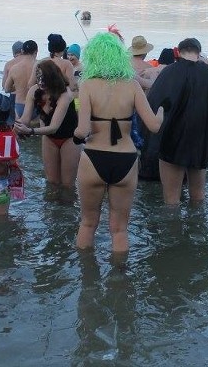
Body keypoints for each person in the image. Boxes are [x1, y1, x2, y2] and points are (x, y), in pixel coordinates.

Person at [72, 33, 164, 253]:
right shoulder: (132, 85)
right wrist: (161, 112)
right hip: (126, 158)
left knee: (87, 223)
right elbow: (153, 125)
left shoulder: (87, 85)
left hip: (94, 157)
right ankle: (119, 280)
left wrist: (74, 135)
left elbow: (82, 131)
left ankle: (88, 281)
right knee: (120, 230)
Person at [143, 37, 208, 204]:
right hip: (200, 141)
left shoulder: (169, 72)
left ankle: (173, 228)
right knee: (198, 196)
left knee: (171, 199)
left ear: (179, 52)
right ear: (199, 52)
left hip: (172, 140)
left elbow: (155, 104)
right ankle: (197, 226)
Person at [13, 59, 80, 188]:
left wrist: (31, 131)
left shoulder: (65, 95)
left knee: (67, 184)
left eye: (44, 78)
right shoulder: (34, 91)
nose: (41, 82)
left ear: (53, 78)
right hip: (49, 138)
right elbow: (25, 119)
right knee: (52, 182)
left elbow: (54, 127)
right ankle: (50, 208)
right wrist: (13, 126)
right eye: (38, 78)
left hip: (69, 138)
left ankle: (67, 207)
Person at [4, 40, 38, 118]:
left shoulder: (14, 68)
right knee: (35, 128)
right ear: (36, 51)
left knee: (18, 128)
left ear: (22, 51)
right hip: (36, 105)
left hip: (19, 106)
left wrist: (19, 86)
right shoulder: (40, 65)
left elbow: (6, 89)